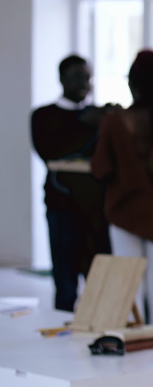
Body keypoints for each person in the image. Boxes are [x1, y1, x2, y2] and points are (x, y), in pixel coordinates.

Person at [91, 50, 153, 323]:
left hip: (123, 212)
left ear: (132, 82)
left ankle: (134, 350)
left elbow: (100, 168)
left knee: (128, 289)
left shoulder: (114, 121)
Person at [30, 55, 113, 312]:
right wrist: (83, 124)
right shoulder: (43, 116)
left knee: (99, 282)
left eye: (88, 77)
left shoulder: (100, 117)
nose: (84, 83)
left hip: (95, 210)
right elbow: (51, 150)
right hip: (61, 206)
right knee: (65, 284)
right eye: (78, 77)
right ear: (61, 79)